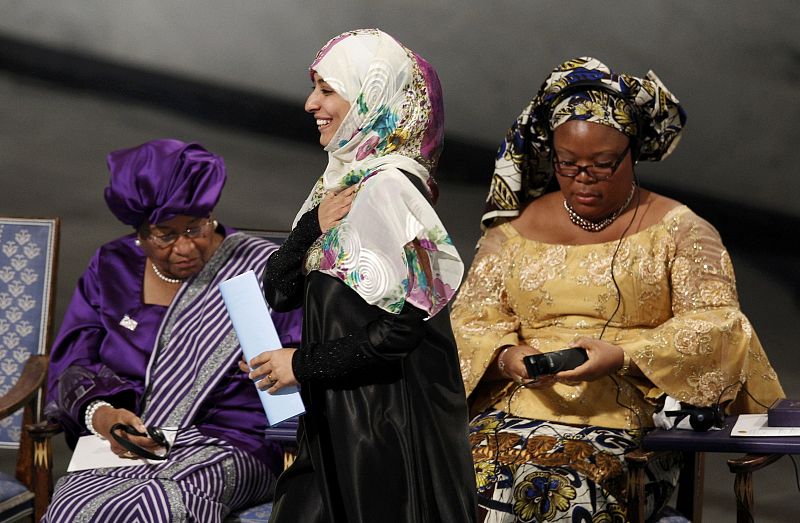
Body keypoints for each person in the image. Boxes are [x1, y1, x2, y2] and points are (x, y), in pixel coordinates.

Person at [451, 57, 785, 522]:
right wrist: (508, 356)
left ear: (633, 154)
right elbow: (467, 320)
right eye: (567, 164)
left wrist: (625, 355)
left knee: (549, 488)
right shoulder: (512, 232)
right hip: (512, 409)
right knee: (453, 480)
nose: (582, 178)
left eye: (602, 164)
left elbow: (718, 324)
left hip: (624, 420)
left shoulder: (679, 231)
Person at [242, 29, 477, 522]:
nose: (310, 103)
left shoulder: (391, 190)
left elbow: (404, 335)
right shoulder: (338, 183)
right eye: (315, 87)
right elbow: (279, 291)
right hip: (334, 421)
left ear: (372, 96)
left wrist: (300, 365)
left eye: (328, 90)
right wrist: (312, 227)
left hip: (385, 432)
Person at [43, 139, 303, 522]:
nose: (184, 247)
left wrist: (272, 369)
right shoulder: (112, 265)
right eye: (165, 235)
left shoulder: (262, 269)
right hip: (131, 437)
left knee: (163, 504)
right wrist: (103, 415)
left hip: (234, 440)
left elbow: (297, 364)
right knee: (72, 506)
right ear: (140, 233)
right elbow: (74, 360)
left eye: (195, 227)